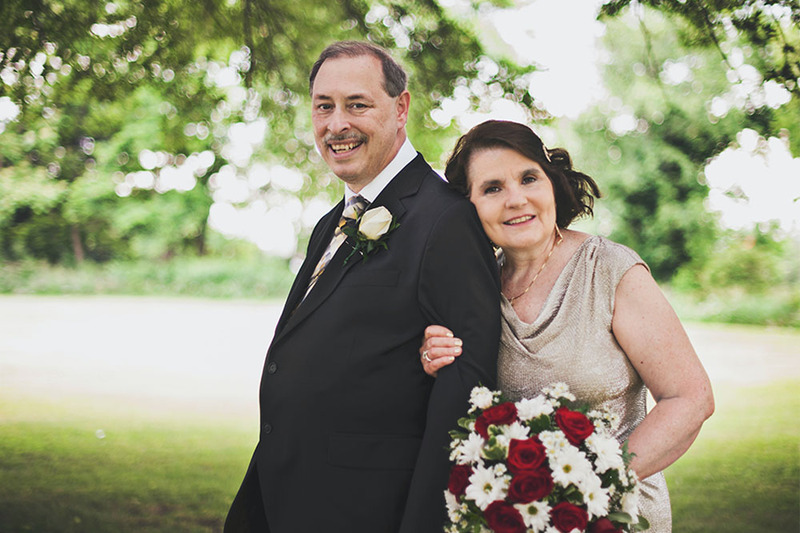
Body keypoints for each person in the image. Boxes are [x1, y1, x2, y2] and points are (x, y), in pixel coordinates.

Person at [224, 41, 501, 533]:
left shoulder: (447, 220)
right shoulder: (332, 221)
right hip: (287, 493)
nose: (336, 125)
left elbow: (466, 390)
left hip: (368, 510)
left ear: (401, 108)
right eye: (323, 107)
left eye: (357, 105)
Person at [419, 120, 714, 532]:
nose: (516, 199)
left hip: (616, 516)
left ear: (553, 185)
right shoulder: (473, 291)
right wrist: (435, 359)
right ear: (467, 208)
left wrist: (587, 482)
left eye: (528, 178)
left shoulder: (610, 270)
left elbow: (690, 398)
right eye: (492, 188)